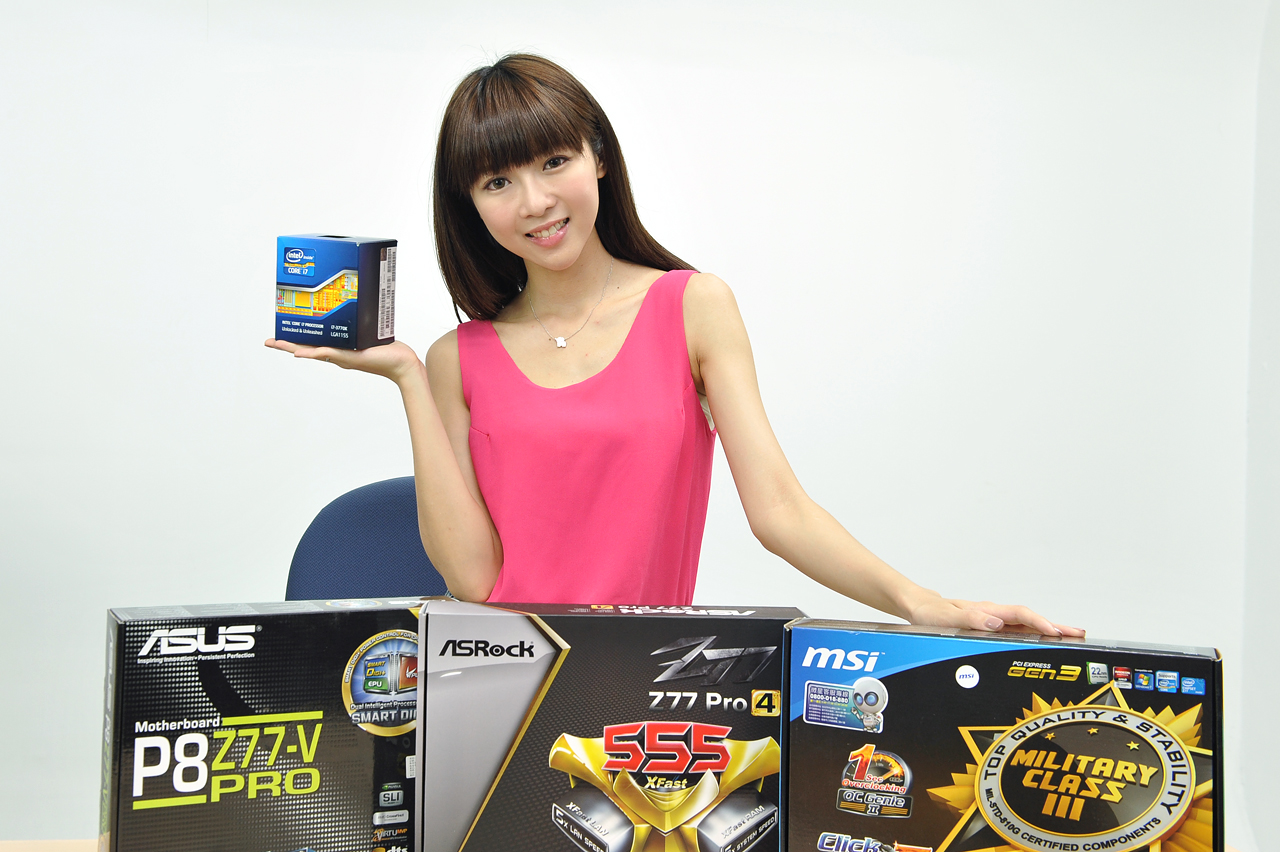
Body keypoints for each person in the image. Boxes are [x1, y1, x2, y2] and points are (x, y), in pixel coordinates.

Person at [266, 54, 1081, 637]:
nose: (536, 201)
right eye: (498, 182)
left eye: (554, 161)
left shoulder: (692, 307)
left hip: (644, 682)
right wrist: (408, 378)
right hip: (491, 677)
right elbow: (474, 582)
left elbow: (780, 511)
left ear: (599, 157)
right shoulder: (458, 359)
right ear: (470, 204)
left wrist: (924, 604)